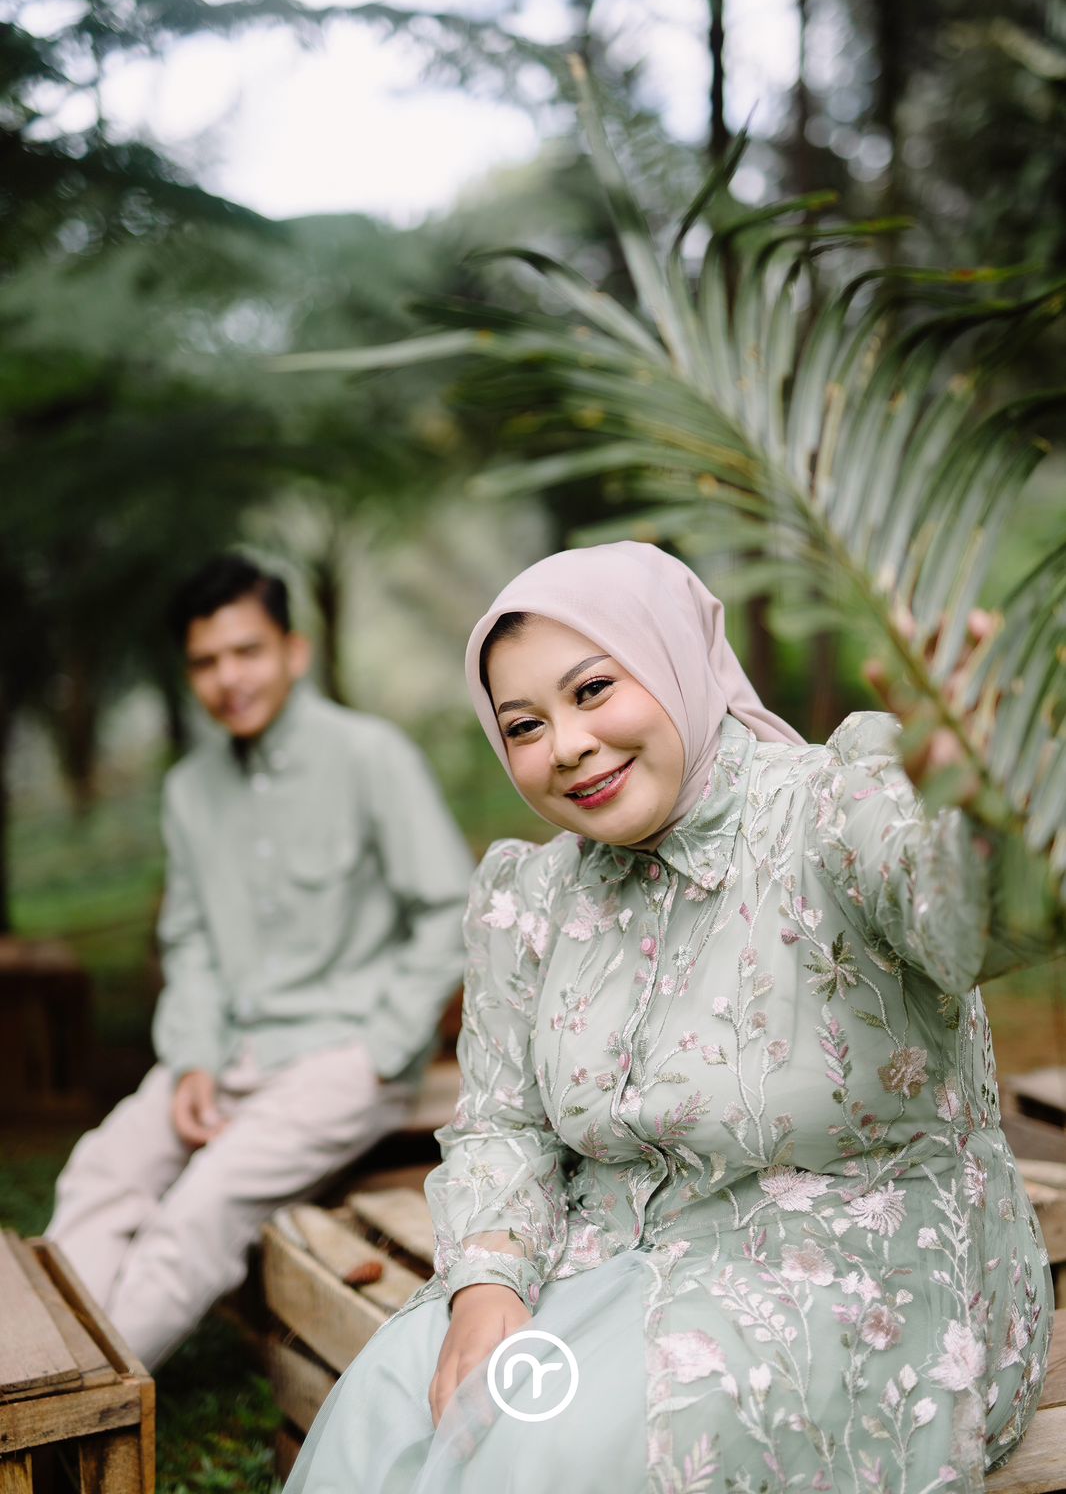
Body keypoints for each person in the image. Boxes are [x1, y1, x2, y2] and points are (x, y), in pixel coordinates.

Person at [284, 540, 1052, 1494]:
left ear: (676, 656)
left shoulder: (833, 813)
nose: (567, 745)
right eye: (524, 726)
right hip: (603, 1261)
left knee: (548, 1444)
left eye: (593, 689)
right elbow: (505, 1123)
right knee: (389, 1401)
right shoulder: (534, 901)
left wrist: (990, 806)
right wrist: (486, 1284)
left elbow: (974, 919)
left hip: (853, 1279)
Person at [47, 553, 473, 1370]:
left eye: (247, 651)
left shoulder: (370, 756)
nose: (228, 678)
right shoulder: (190, 791)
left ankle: (85, 1402)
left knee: (200, 1210)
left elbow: (449, 908)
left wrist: (383, 1047)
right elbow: (191, 941)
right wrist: (192, 1058)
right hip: (230, 1053)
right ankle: (41, 1371)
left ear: (293, 651)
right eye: (206, 662)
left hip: (344, 1056)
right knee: (101, 1171)